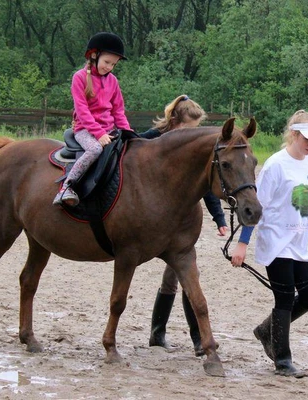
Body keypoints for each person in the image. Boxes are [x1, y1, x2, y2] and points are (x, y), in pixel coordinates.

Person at [140, 95, 228, 356]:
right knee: (180, 279)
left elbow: (207, 188)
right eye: (189, 129)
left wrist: (220, 219)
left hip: (179, 224)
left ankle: (190, 338)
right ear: (175, 121)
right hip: (151, 219)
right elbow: (132, 148)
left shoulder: (193, 150)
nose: (193, 136)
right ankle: (166, 334)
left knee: (181, 278)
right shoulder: (153, 138)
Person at [231, 109, 308, 378]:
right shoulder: (276, 165)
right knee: (285, 297)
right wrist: (242, 244)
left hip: (302, 241)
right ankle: (283, 360)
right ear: (294, 134)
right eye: (306, 139)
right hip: (277, 241)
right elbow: (256, 208)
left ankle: (266, 331)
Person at [53, 32, 131, 206]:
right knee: (95, 150)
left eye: (113, 64)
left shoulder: (113, 81)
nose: (109, 67)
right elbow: (82, 111)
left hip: (109, 129)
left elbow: (118, 111)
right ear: (94, 55)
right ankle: (67, 187)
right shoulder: (79, 78)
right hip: (85, 129)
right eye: (107, 62)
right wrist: (98, 133)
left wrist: (128, 132)